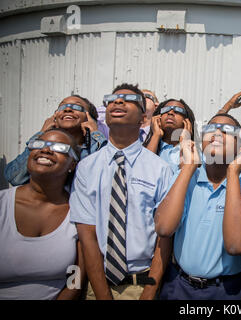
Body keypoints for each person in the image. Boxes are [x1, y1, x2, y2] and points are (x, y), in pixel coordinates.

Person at [69, 83, 173, 300]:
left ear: (143, 117)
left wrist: (149, 292)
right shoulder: (87, 167)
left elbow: (164, 239)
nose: (117, 101)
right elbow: (86, 234)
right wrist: (101, 294)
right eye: (112, 99)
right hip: (97, 286)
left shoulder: (160, 169)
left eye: (128, 99)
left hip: (141, 286)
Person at [154, 113, 241, 300]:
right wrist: (188, 168)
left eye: (227, 131)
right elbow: (164, 228)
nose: (216, 133)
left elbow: (235, 245)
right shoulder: (184, 178)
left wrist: (233, 172)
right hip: (177, 285)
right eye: (210, 129)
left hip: (225, 291)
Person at [0, 128, 86, 299]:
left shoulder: (79, 210)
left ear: (73, 164)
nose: (46, 150)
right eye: (39, 144)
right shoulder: (2, 205)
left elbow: (77, 273)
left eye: (59, 148)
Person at [4, 94, 107, 186]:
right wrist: (40, 135)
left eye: (77, 106)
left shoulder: (93, 149)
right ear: (54, 118)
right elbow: (15, 177)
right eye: (63, 106)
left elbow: (106, 176)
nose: (67, 109)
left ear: (90, 119)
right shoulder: (45, 150)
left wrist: (95, 135)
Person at [143, 99, 196, 170]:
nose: (170, 112)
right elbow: (143, 171)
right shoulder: (144, 148)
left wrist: (185, 141)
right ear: (158, 118)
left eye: (178, 110)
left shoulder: (194, 151)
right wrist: (156, 135)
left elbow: (187, 174)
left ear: (187, 121)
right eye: (165, 110)